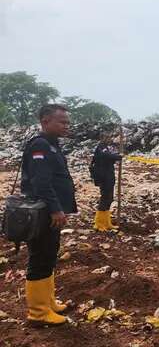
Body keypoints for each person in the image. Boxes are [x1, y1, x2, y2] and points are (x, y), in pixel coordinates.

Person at [20, 104, 77, 326]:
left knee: (49, 256)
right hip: (44, 212)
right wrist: (55, 209)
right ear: (45, 121)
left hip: (51, 212)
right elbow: (41, 183)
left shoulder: (52, 145)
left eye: (68, 122)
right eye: (61, 122)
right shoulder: (40, 146)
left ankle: (49, 303)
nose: (66, 126)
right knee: (40, 258)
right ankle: (38, 313)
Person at [91, 131, 122, 231]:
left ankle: (107, 223)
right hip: (103, 177)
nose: (110, 139)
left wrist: (117, 156)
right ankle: (99, 223)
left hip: (109, 176)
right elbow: (107, 156)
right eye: (108, 137)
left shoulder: (106, 147)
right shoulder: (101, 147)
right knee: (104, 198)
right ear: (103, 138)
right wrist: (119, 156)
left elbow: (110, 156)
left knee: (109, 199)